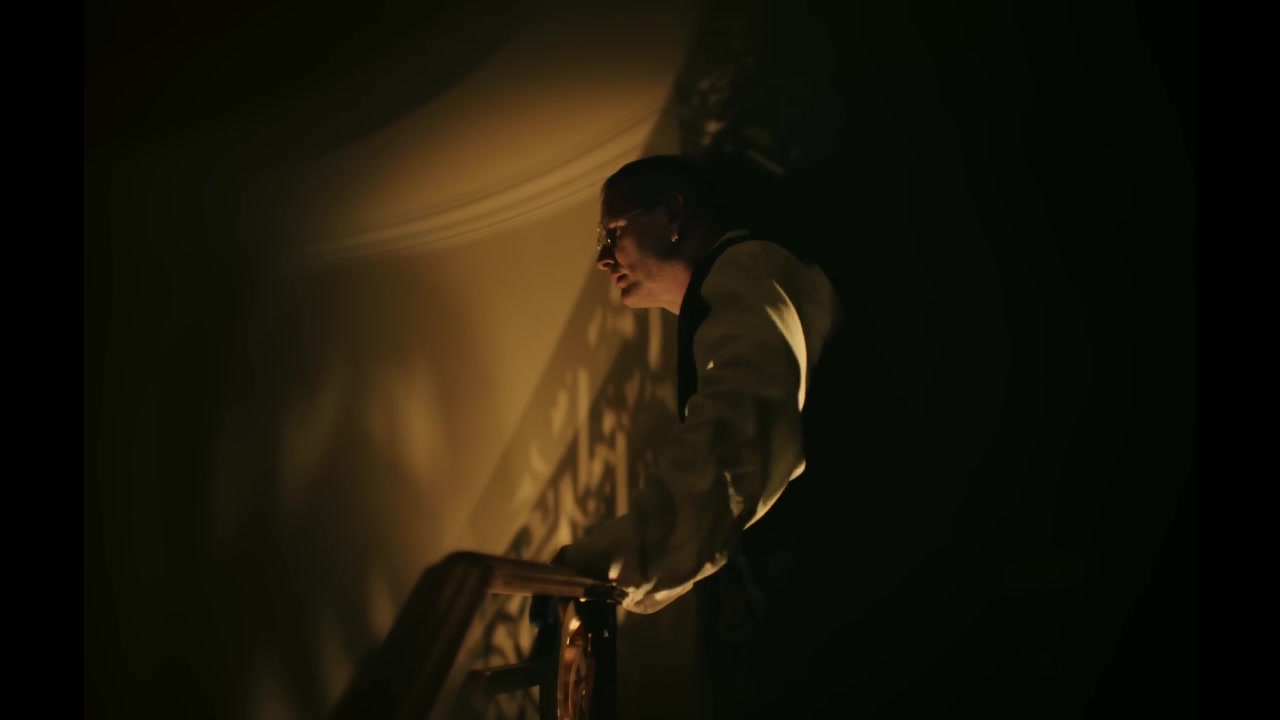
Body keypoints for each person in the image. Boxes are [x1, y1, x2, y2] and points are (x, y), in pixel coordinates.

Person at [553, 154, 848, 717]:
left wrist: (607, 560)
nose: (601, 258)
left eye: (612, 232)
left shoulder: (746, 266)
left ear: (672, 215)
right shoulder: (738, 283)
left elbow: (738, 438)